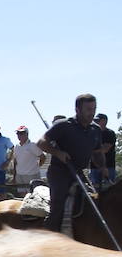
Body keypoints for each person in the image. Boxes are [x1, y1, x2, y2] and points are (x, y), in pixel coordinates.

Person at [38, 93, 106, 233]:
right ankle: (50, 234)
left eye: (94, 109)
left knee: (94, 201)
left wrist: (103, 167)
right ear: (77, 109)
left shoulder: (95, 130)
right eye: (88, 109)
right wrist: (58, 153)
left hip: (79, 173)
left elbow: (97, 153)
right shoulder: (64, 125)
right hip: (60, 172)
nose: (91, 113)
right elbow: (41, 142)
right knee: (59, 203)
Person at [91, 113, 117, 186]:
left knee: (109, 190)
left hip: (108, 167)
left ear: (105, 121)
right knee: (95, 191)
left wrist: (93, 149)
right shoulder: (92, 133)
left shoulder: (110, 133)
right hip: (94, 167)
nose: (96, 122)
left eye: (98, 120)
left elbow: (105, 149)